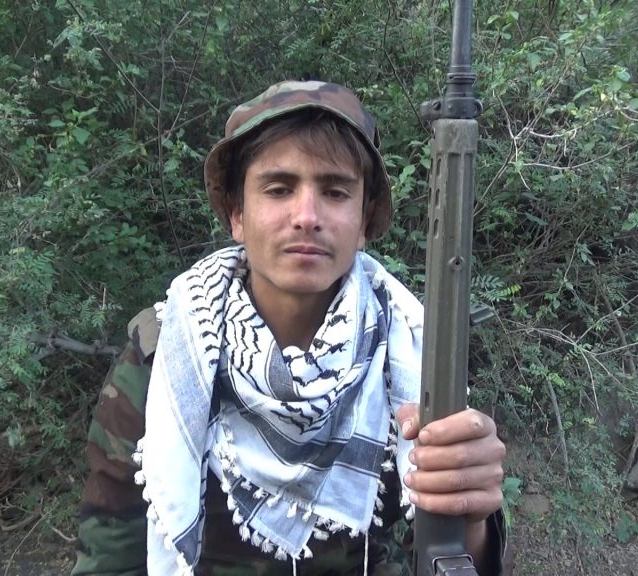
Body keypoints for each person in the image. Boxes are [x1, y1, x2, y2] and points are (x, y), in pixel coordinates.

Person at [72, 80, 507, 575]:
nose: (306, 216)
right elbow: (111, 558)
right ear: (237, 214)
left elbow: (449, 558)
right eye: (278, 189)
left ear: (364, 221)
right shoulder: (165, 360)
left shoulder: (413, 357)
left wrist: (470, 516)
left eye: (335, 191)